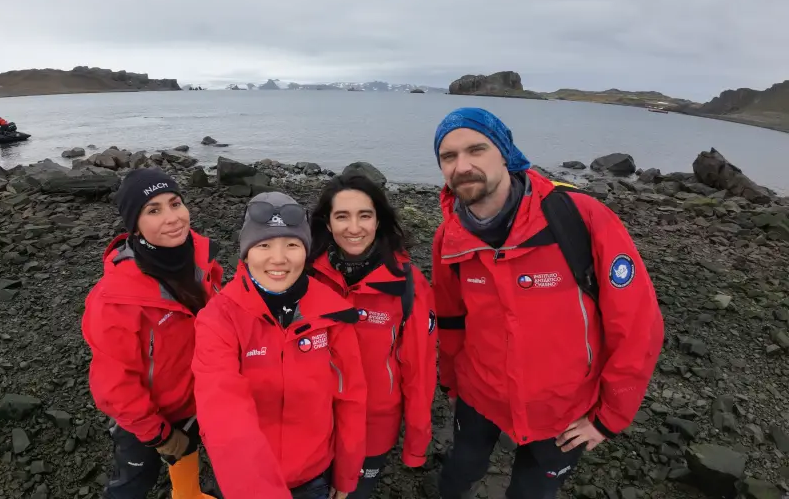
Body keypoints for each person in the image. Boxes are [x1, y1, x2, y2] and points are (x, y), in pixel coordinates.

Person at [431, 107, 664, 499]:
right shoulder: (449, 238)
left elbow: (638, 324)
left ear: (504, 152)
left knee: (532, 492)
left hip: (562, 408)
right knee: (461, 470)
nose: (463, 166)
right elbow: (452, 319)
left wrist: (608, 419)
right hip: (479, 392)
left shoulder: (579, 216)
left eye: (476, 149)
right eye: (448, 156)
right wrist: (451, 381)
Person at [193, 192, 368, 499]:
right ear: (246, 253)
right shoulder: (219, 318)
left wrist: (347, 473)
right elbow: (223, 411)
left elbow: (350, 397)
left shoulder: (332, 312)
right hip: (245, 482)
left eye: (292, 244)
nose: (278, 258)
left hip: (313, 475)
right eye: (264, 245)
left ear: (306, 251)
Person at [81, 168, 223, 499]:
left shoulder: (201, 258)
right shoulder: (114, 297)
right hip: (148, 418)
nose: (172, 218)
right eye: (154, 210)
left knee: (190, 454)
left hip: (199, 398)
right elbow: (114, 386)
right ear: (135, 224)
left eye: (175, 204)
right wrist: (158, 435)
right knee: (133, 484)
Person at [307, 174, 436, 498]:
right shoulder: (305, 275)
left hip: (374, 425)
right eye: (342, 216)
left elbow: (419, 370)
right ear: (327, 222)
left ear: (379, 220)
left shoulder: (407, 284)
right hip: (314, 420)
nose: (354, 228)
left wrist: (416, 443)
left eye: (364, 215)